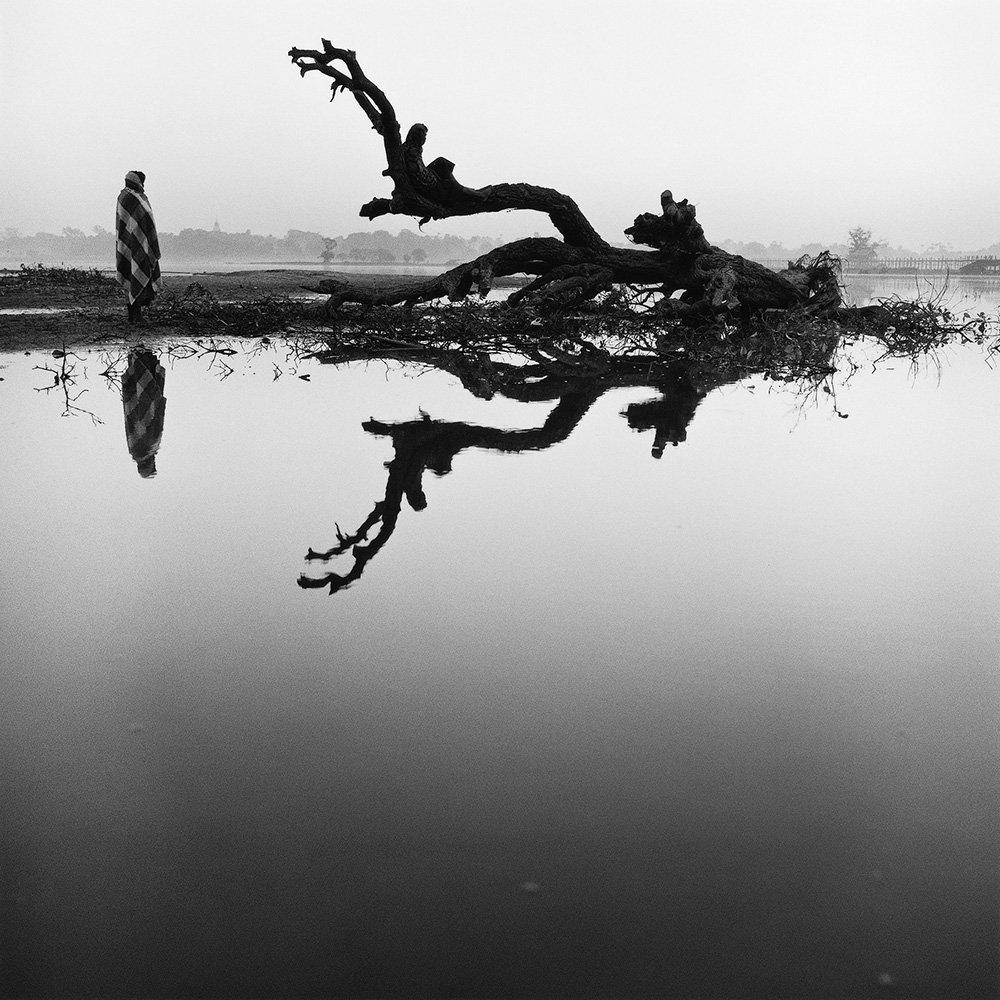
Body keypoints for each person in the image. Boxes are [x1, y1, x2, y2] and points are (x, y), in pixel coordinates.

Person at [116, 170, 162, 324]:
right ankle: (136, 315)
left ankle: (133, 315)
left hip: (136, 243)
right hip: (136, 243)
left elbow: (144, 221)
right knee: (135, 273)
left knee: (132, 273)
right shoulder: (133, 198)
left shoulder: (124, 196)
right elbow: (142, 220)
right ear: (139, 182)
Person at [122, 347, 166, 478]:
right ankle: (138, 356)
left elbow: (155, 426)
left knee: (146, 388)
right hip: (136, 409)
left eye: (152, 466)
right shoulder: (134, 451)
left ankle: (142, 356)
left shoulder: (148, 448)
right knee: (138, 387)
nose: (154, 464)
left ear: (148, 465)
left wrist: (158, 408)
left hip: (147, 411)